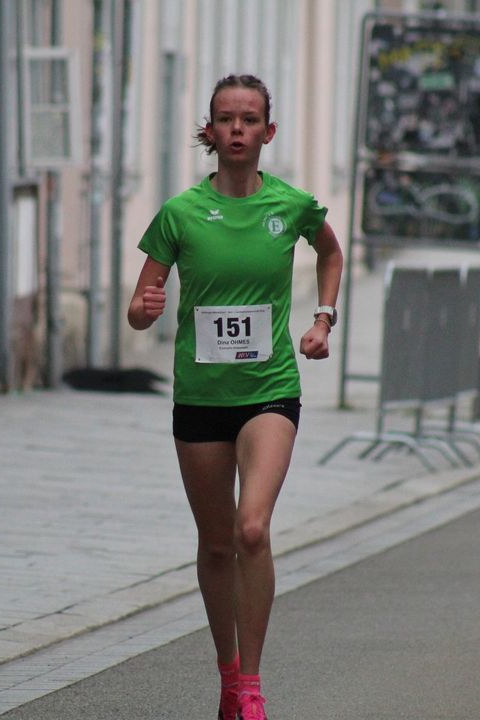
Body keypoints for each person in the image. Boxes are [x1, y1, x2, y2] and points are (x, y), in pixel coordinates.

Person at [127, 74, 343, 720]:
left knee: (252, 529)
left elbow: (330, 253)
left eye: (251, 119)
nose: (239, 129)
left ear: (268, 131)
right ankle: (226, 673)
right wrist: (145, 306)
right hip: (200, 397)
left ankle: (251, 684)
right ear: (211, 132)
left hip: (269, 390)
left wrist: (323, 317)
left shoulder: (293, 205)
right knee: (217, 542)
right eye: (227, 118)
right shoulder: (180, 214)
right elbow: (139, 310)